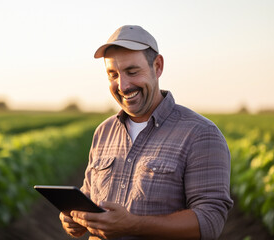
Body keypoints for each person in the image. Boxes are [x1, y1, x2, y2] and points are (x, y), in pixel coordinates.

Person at [59, 25, 233, 240]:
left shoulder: (201, 134)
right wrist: (75, 219)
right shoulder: (103, 132)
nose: (123, 85)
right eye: (113, 75)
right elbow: (89, 196)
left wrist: (133, 226)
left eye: (132, 72)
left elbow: (210, 221)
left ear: (157, 66)